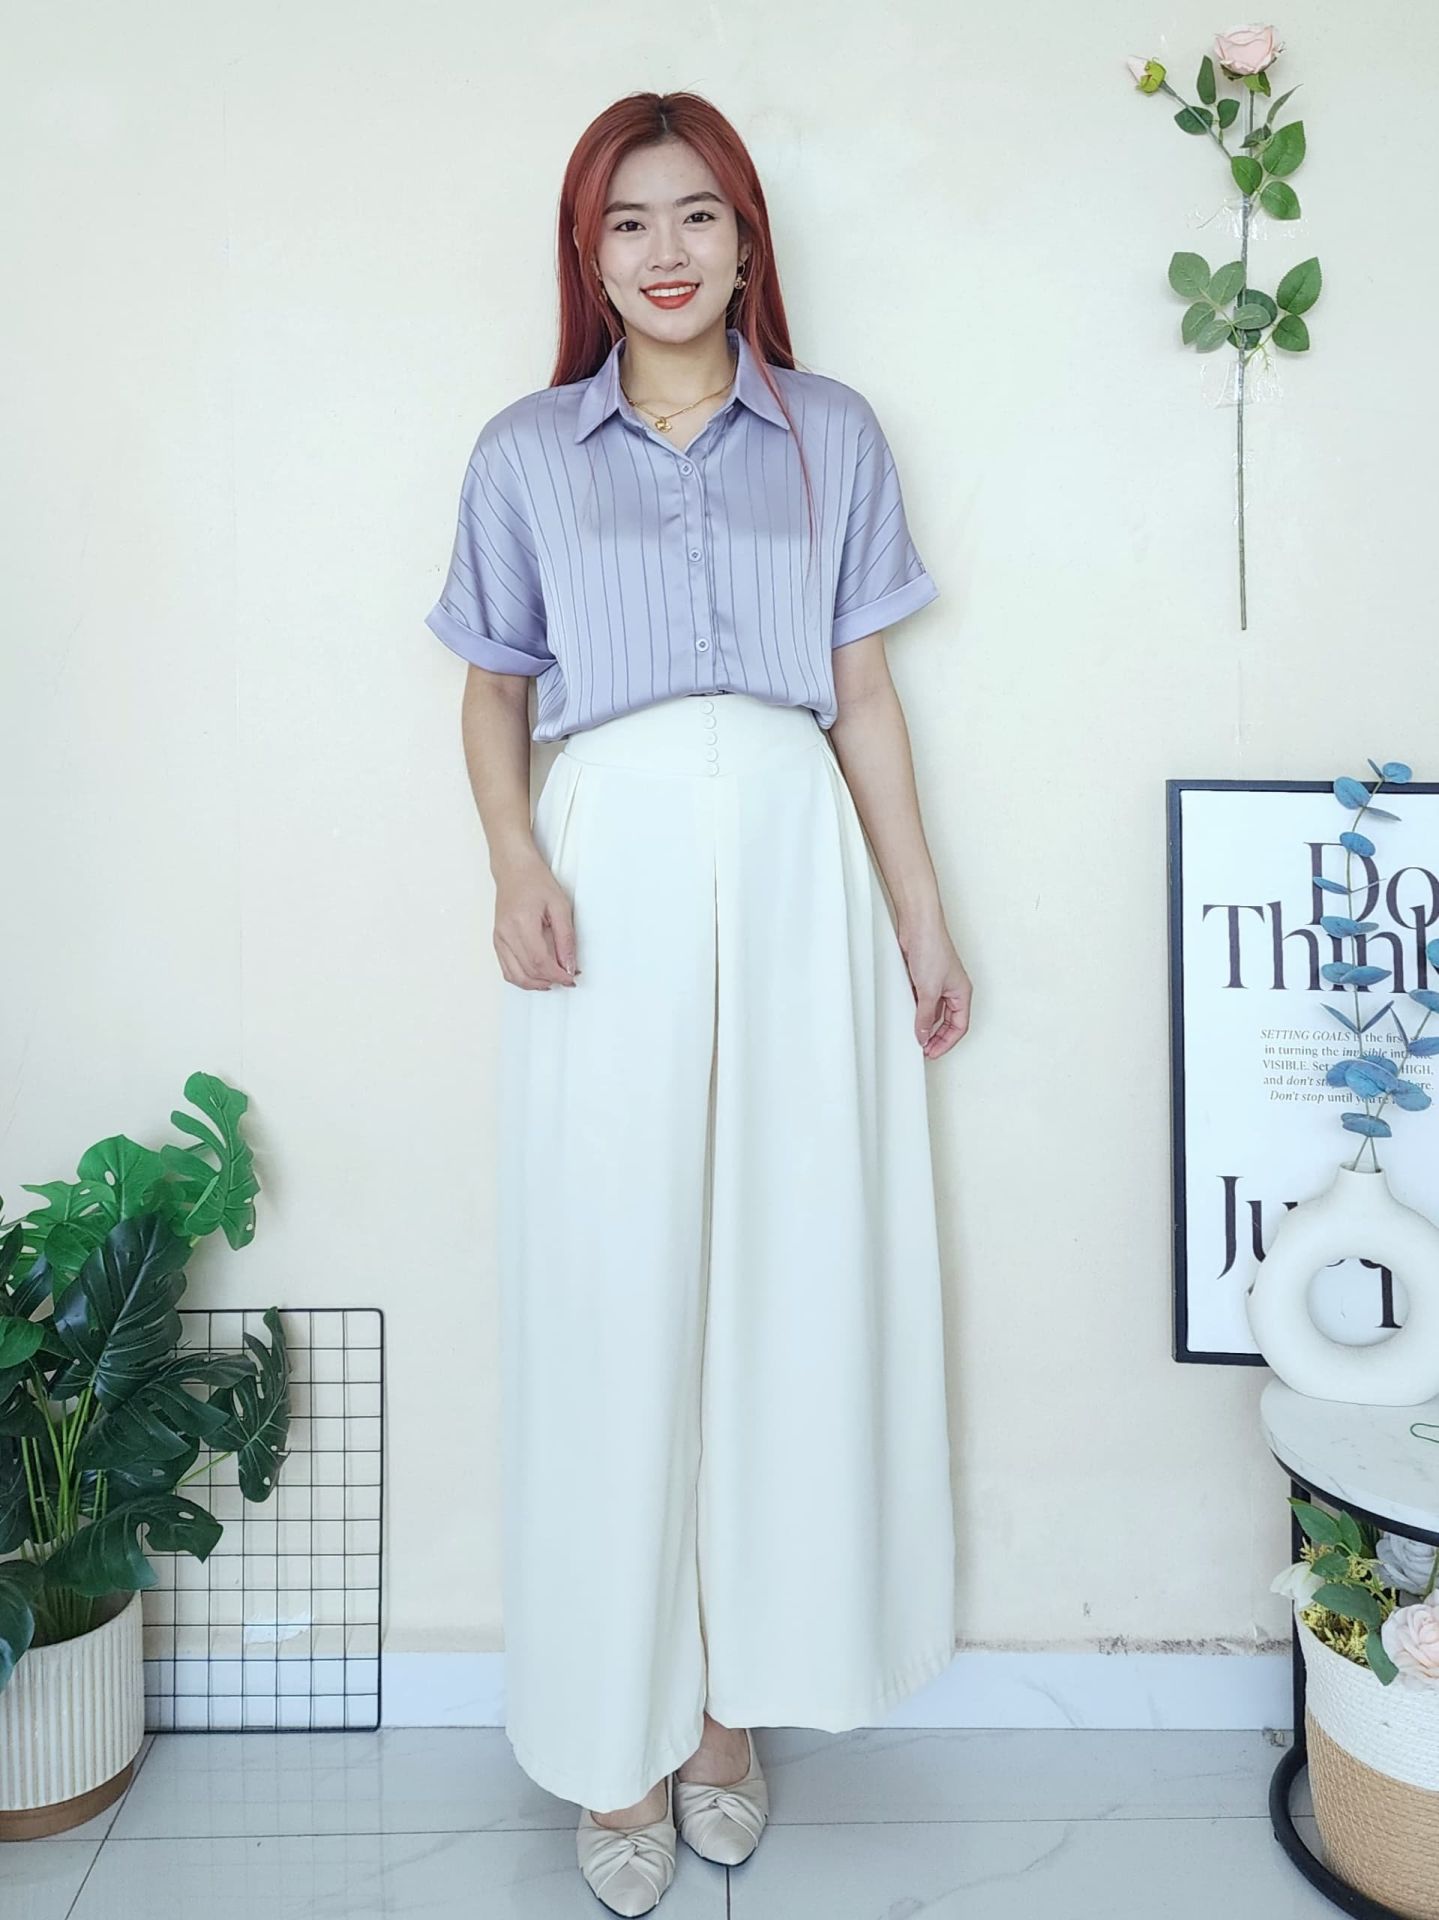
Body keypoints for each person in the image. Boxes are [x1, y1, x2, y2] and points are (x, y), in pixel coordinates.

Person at [425, 89, 973, 1918]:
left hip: (802, 868)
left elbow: (866, 697)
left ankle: (731, 1710)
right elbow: (495, 687)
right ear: (587, 257)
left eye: (698, 217)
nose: (665, 254)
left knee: (782, 1275)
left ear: (747, 237)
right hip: (611, 861)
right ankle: (619, 1731)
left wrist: (921, 920)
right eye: (628, 224)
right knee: (615, 1283)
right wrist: (515, 861)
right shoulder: (527, 450)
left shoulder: (832, 435)